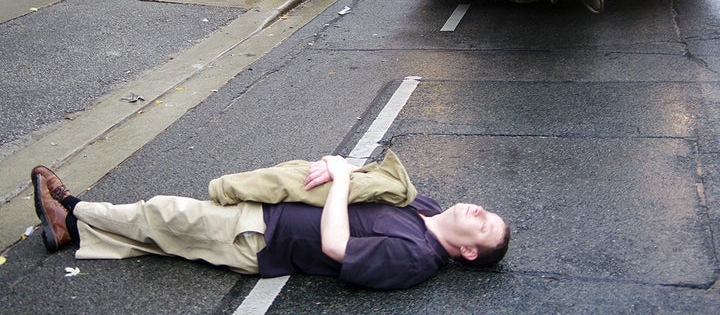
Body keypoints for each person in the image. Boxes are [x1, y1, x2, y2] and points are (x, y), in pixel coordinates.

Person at [31, 151, 510, 290]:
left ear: (468, 251)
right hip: (268, 212)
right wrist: (341, 167)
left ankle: (69, 208)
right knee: (165, 234)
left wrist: (340, 180)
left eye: (486, 225)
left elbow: (338, 247)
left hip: (261, 238)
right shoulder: (424, 209)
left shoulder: (416, 259)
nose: (480, 212)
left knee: (164, 214)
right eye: (489, 211)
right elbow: (373, 181)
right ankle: (70, 231)